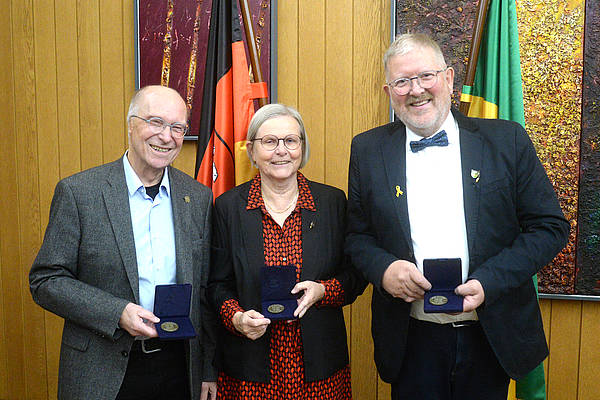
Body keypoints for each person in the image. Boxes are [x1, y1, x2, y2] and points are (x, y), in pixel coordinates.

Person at [345, 33, 570, 400]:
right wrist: (385, 270)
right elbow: (356, 236)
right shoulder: (367, 149)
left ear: (448, 78)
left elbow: (550, 228)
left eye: (425, 76)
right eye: (402, 81)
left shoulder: (507, 140)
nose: (415, 90)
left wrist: (490, 281)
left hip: (491, 334)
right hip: (410, 338)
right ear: (388, 92)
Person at [29, 85, 217, 400]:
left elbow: (204, 291)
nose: (166, 136)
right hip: (101, 369)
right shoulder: (80, 193)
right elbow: (45, 280)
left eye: (177, 127)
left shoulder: (196, 197)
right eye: (155, 122)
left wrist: (208, 368)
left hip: (179, 367)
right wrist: (117, 312)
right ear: (130, 124)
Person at [208, 103, 367, 399]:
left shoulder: (332, 203)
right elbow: (217, 285)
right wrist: (237, 318)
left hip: (319, 371)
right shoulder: (228, 208)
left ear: (302, 148)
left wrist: (323, 290)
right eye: (269, 141)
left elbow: (356, 275)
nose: (281, 150)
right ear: (252, 151)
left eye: (291, 141)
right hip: (250, 370)